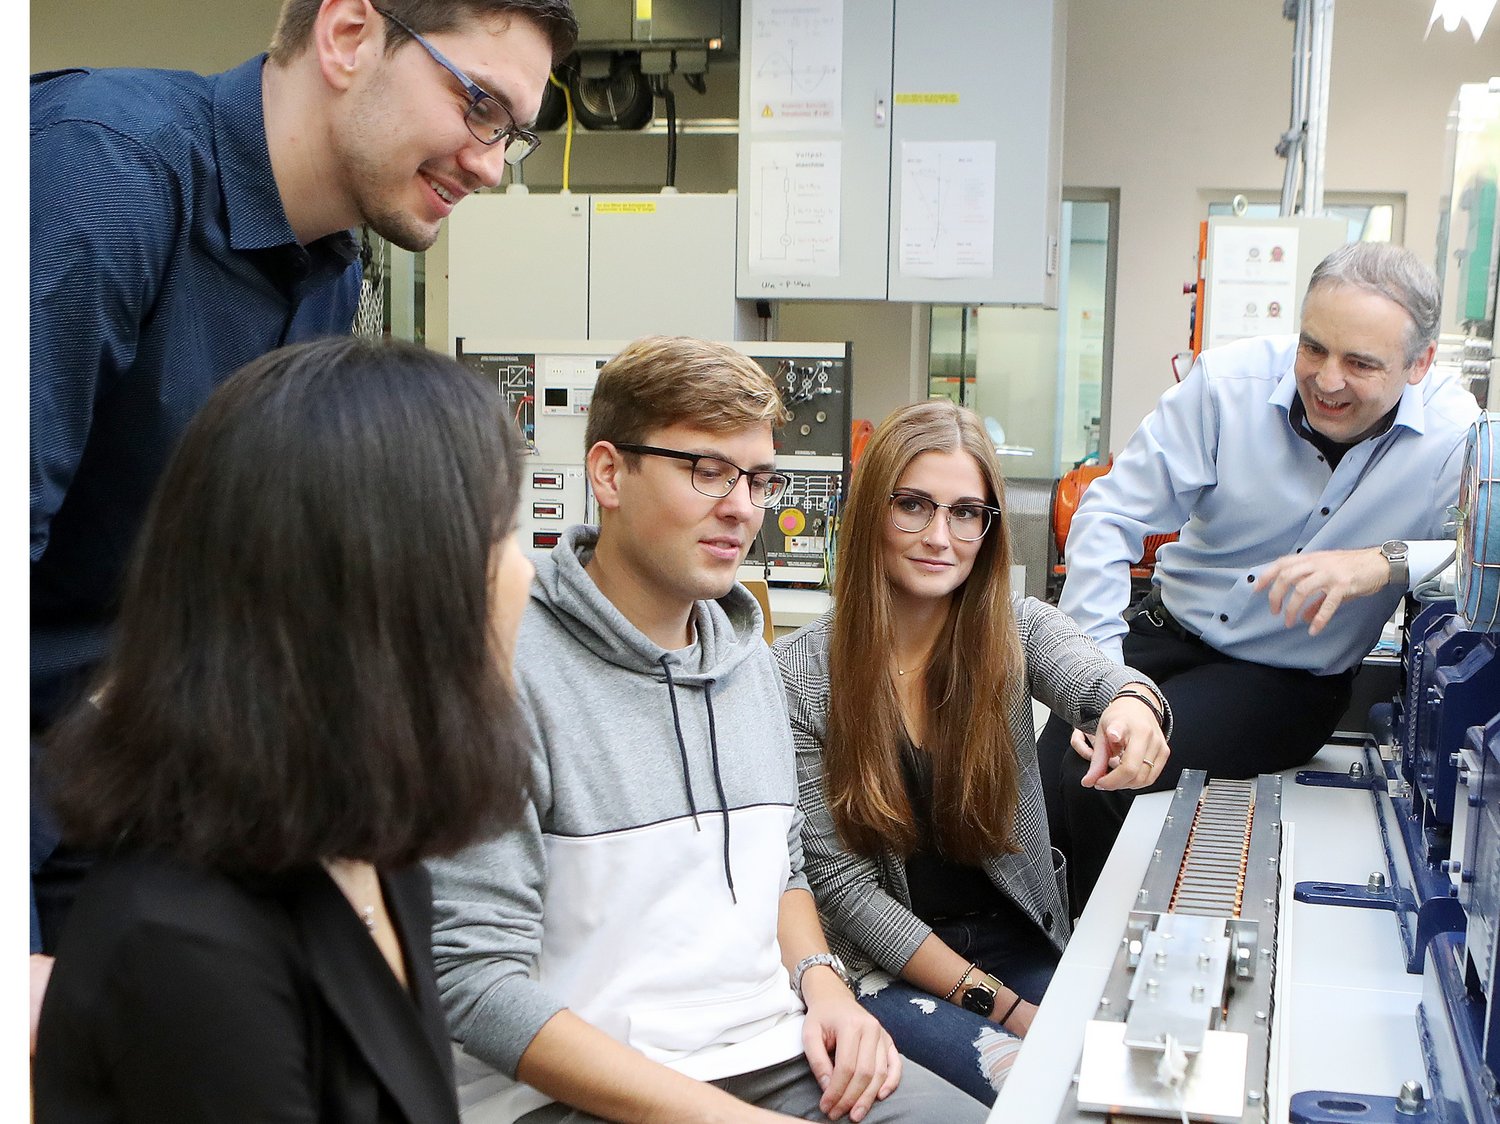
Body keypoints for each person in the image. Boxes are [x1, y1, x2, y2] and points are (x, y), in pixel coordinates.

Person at [29, 0, 578, 1041]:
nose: (492, 163)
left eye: (512, 130)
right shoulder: (103, 172)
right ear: (347, 33)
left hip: (148, 816)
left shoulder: (329, 272)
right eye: (478, 104)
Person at [427, 337, 984, 1124]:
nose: (742, 507)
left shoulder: (750, 667)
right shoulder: (506, 671)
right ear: (609, 473)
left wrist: (824, 986)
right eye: (707, 470)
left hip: (774, 1053)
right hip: (578, 1092)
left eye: (758, 479)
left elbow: (780, 867)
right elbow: (473, 981)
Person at [33, 337, 535, 1122]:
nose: (526, 571)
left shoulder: (374, 859)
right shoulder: (183, 948)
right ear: (395, 591)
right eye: (504, 532)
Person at [1040, 241, 1482, 909]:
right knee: (1034, 787)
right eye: (1314, 348)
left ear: (1419, 363)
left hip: (1284, 682)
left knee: (1102, 774)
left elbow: (1484, 551)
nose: (1327, 380)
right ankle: (1019, 959)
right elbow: (1107, 515)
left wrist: (1383, 562)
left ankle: (1085, 971)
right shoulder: (1227, 386)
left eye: (1360, 363)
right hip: (1161, 635)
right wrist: (1102, 680)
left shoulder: (1456, 440)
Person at [771, 401, 1171, 1106]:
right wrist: (1011, 1013)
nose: (939, 536)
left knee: (1119, 1086)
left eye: (965, 513)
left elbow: (1089, 671)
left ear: (987, 529)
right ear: (872, 512)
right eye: (914, 506)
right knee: (1029, 1087)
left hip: (1020, 943)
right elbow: (845, 891)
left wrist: (1133, 707)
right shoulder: (798, 677)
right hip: (891, 969)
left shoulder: (1013, 631)